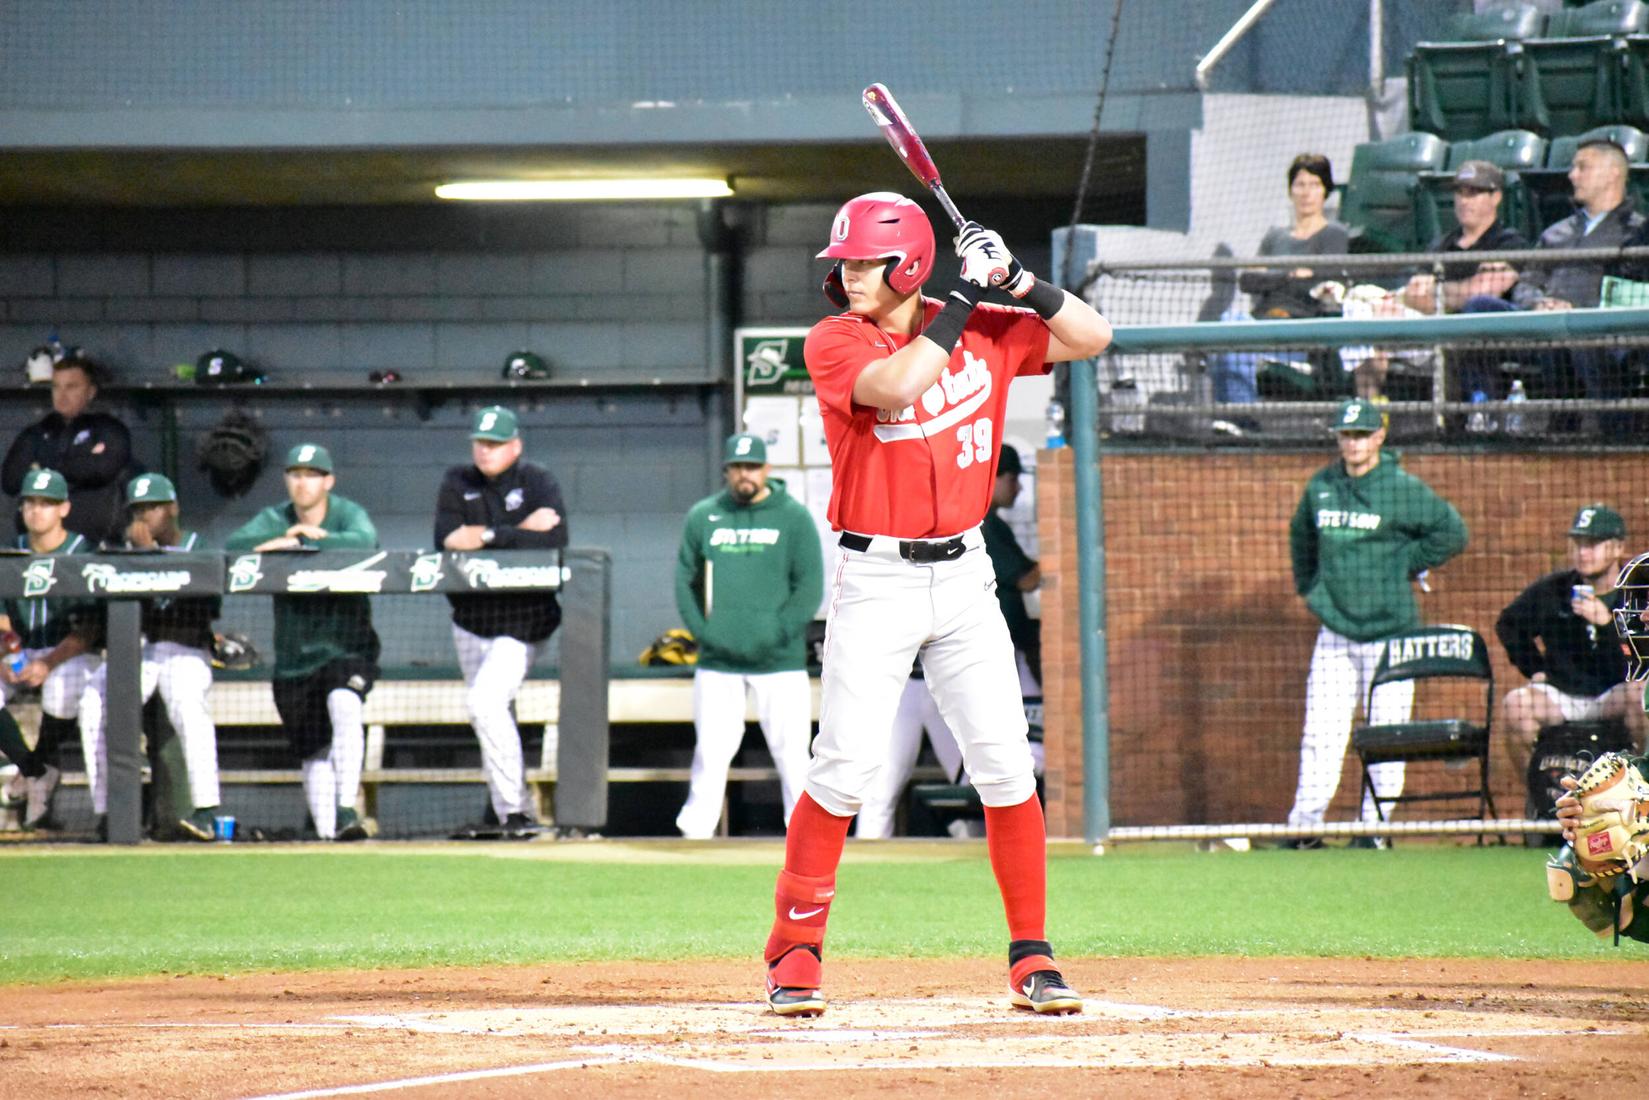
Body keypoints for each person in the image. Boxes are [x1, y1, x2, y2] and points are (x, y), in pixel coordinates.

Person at [760, 191, 1111, 1018]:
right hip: (874, 577)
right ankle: (795, 950)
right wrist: (962, 295)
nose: (848, 275)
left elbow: (1093, 338)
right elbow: (894, 385)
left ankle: (1032, 955)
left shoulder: (988, 327)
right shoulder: (835, 340)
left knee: (1003, 762)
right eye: (842, 262)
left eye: (864, 262)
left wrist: (1020, 280)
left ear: (907, 262)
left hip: (963, 576)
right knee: (843, 765)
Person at [1283, 398, 1468, 849]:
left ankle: (1375, 830)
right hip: (1335, 632)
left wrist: (1406, 561)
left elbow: (1452, 531)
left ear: (1380, 437)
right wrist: (1314, 591)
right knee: (1321, 733)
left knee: (1387, 735)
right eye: (1346, 435)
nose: (1353, 443)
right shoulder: (1322, 485)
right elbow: (1301, 539)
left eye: (1362, 434)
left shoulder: (1401, 488)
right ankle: (1304, 828)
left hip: (1392, 635)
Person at [857, 443, 1042, 839]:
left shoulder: (973, 526)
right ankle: (868, 868)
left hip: (949, 670)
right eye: (1012, 479)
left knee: (979, 778)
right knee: (880, 785)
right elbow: (1028, 577)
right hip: (911, 679)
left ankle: (970, 856)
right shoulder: (963, 524)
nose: (1018, 488)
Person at [225, 443, 379, 842]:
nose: (302, 482)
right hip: (295, 658)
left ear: (328, 481)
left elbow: (364, 543)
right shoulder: (275, 517)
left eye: (312, 474)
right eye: (295, 473)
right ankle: (331, 836)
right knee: (313, 751)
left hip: (347, 646)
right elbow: (234, 548)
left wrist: (310, 543)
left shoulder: (346, 513)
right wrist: (283, 537)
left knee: (344, 703)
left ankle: (347, 809)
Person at [672, 432, 823, 840]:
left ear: (766, 470)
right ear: (726, 471)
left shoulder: (794, 517)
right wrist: (704, 632)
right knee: (711, 752)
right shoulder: (704, 515)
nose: (745, 474)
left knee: (793, 755)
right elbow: (683, 581)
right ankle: (696, 834)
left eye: (752, 467)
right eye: (737, 467)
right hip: (719, 660)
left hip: (781, 659)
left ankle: (805, 837)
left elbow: (809, 586)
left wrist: (777, 632)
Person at [433, 406, 567, 839]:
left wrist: (486, 534)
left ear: (515, 446)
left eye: (494, 443)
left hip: (524, 620)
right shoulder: (458, 480)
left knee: (484, 704)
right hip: (471, 621)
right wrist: (513, 531)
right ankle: (508, 813)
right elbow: (449, 541)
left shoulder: (537, 480)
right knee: (490, 714)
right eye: (480, 442)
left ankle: (516, 813)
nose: (485, 450)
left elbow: (555, 537)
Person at [77, 473, 222, 841]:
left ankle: (206, 809)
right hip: (139, 650)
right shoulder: (124, 552)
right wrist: (135, 559)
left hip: (184, 651)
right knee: (93, 701)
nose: (145, 518)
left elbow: (205, 605)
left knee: (188, 707)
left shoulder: (197, 546)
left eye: (154, 508)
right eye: (138, 510)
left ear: (173, 509)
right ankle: (109, 810)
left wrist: (147, 558)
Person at [1476, 139, 1647, 431]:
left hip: (1598, 334)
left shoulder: (1636, 233)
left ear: (1612, 175)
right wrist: (1539, 303)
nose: (1572, 175)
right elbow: (1527, 282)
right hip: (1541, 325)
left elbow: (1632, 295)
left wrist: (1575, 310)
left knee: (1582, 339)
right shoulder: (1556, 232)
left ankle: (1607, 432)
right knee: (1479, 307)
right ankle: (1479, 418)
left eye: (1583, 167)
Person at [1498, 505, 1644, 781]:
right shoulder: (1555, 589)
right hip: (1562, 694)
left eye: (1593, 544)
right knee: (1515, 706)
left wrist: (1607, 626)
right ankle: (1537, 798)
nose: (1583, 552)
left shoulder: (1636, 593)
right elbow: (1508, 624)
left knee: (1644, 696)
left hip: (1614, 693)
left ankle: (1642, 792)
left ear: (1617, 548)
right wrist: (1535, 669)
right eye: (1578, 544)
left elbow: (1640, 661)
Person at [0, 469, 100, 830]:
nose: (36, 510)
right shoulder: (10, 552)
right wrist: (6, 660)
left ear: (64, 508)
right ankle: (34, 771)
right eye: (30, 503)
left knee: (61, 690)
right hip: (21, 654)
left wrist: (46, 662)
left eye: (46, 503)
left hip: (70, 653)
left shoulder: (82, 551)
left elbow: (90, 629)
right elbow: (3, 622)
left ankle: (35, 769)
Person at [1211, 154, 1351, 406]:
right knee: (1226, 326)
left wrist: (1273, 277)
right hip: (1262, 321)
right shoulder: (1275, 236)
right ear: (1290, 191)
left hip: (1300, 330)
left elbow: (1322, 278)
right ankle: (1234, 418)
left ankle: (1240, 416)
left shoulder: (1334, 234)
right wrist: (1289, 275)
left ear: (1325, 191)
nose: (1306, 193)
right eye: (1300, 185)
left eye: (1314, 185)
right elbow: (1249, 280)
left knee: (1233, 340)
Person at [2, 356, 134, 544]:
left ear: (90, 392)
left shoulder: (110, 429)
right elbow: (11, 480)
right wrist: (82, 459)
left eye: (71, 387)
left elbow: (103, 469)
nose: (62, 395)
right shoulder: (36, 432)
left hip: (97, 543)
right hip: (38, 546)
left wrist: (43, 469)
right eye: (56, 387)